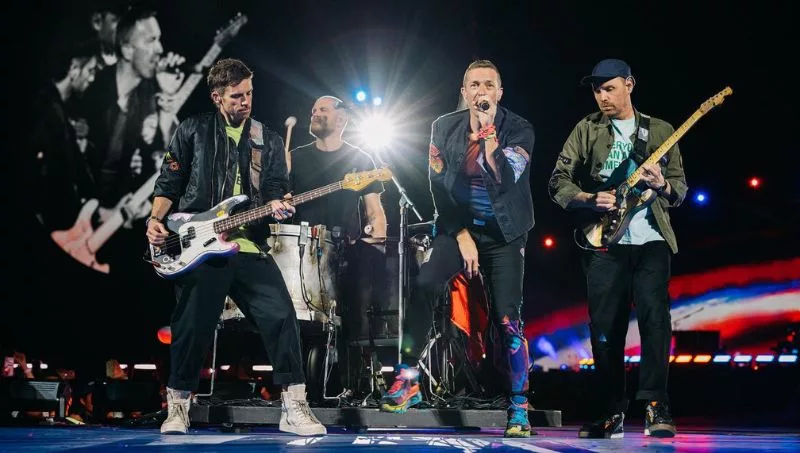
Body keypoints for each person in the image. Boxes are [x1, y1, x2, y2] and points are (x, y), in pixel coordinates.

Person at [146, 58, 326, 436]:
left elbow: (275, 189)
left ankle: (294, 406)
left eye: (249, 93)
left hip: (249, 244)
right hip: (200, 245)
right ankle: (178, 405)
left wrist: (278, 204)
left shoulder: (267, 139)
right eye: (236, 96)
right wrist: (155, 220)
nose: (245, 101)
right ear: (217, 97)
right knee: (191, 325)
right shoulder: (193, 130)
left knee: (282, 317)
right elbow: (168, 182)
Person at [381, 60, 536, 438]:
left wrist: (488, 136)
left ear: (499, 93)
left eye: (489, 85)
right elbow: (437, 185)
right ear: (464, 92)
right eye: (474, 85)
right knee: (426, 283)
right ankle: (408, 379)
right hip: (458, 226)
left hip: (505, 233)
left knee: (506, 319)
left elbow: (505, 179)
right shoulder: (443, 127)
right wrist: (461, 234)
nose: (481, 91)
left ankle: (519, 404)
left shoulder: (519, 129)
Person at [548, 58, 687, 439]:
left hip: (652, 240)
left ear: (629, 84)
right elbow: (558, 180)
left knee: (656, 321)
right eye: (597, 90)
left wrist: (661, 185)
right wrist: (588, 198)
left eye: (609, 88)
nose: (602, 97)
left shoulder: (660, 130)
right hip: (605, 242)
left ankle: (656, 406)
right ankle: (611, 411)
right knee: (605, 329)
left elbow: (679, 188)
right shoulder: (586, 129)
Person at [288, 95, 387, 396]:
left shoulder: (360, 159)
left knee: (352, 317)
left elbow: (375, 213)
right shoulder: (294, 157)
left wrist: (376, 250)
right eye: (313, 110)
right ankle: (294, 388)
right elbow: (275, 200)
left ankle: (355, 383)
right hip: (300, 252)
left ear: (342, 119)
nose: (315, 113)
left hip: (345, 251)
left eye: (323, 109)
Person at [30, 39, 99, 231]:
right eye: (90, 70)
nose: (92, 78)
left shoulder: (55, 106)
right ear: (74, 69)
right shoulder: (50, 111)